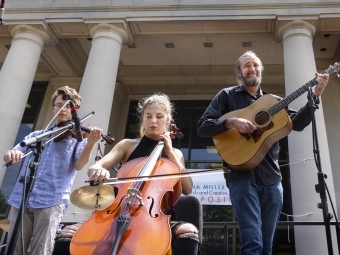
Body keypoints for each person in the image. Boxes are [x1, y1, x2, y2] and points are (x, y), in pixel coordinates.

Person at [197, 51, 329, 255]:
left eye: (256, 65)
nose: (252, 68)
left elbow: (299, 123)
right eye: (247, 65)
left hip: (272, 179)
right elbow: (203, 127)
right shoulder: (226, 96)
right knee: (253, 244)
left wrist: (316, 94)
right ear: (238, 72)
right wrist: (231, 122)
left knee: (267, 247)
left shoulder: (272, 101)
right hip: (241, 178)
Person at [87, 93, 200, 254]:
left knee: (188, 232)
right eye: (149, 116)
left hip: (157, 219)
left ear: (167, 120)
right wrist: (98, 170)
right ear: (143, 119)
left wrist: (170, 153)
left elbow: (188, 189)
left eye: (159, 116)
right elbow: (95, 167)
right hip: (121, 211)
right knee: (67, 236)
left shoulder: (176, 154)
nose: (153, 121)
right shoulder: (128, 145)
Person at [3, 86, 103, 255]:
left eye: (67, 106)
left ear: (75, 110)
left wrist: (91, 143)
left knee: (41, 250)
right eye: (58, 105)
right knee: (14, 249)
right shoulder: (36, 136)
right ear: (53, 108)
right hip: (22, 197)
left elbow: (79, 166)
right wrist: (11, 153)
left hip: (51, 199)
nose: (62, 109)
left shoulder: (77, 139)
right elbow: (10, 154)